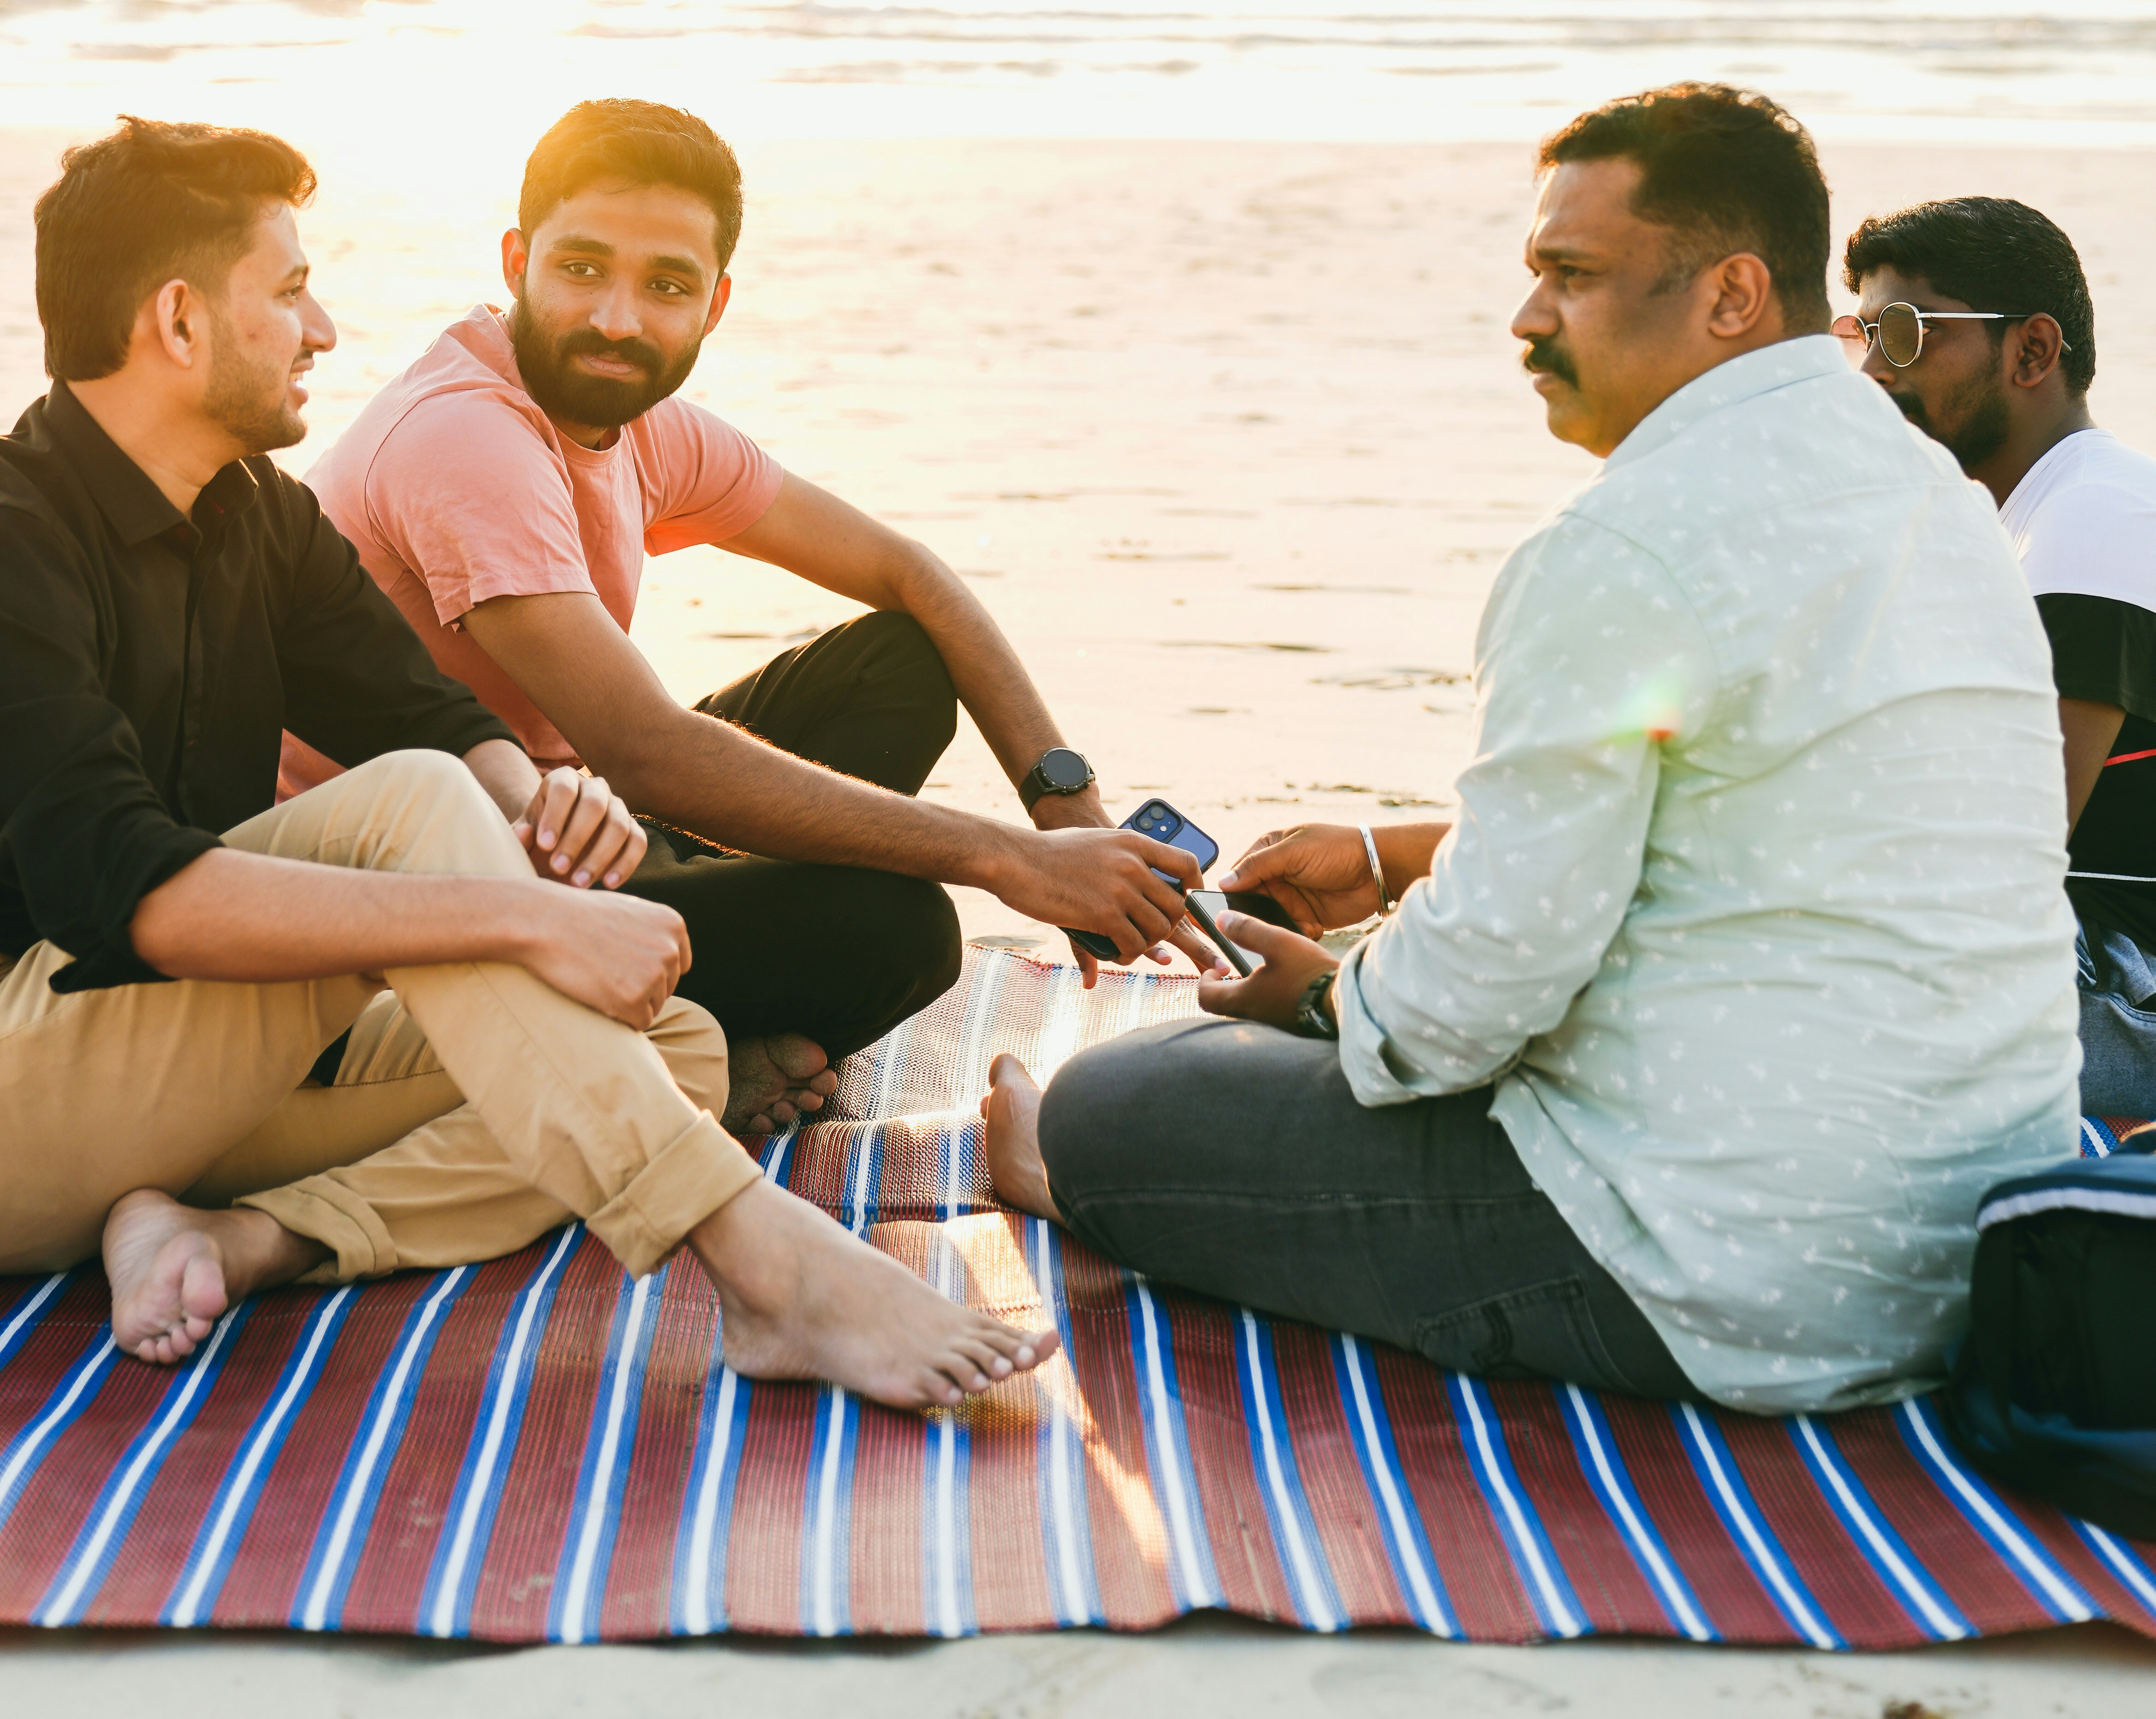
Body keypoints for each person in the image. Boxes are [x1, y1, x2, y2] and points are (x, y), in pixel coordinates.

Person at [983, 84, 2081, 1416]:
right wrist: (1382, 918)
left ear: (1733, 294)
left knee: (1118, 1099)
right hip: (1973, 1254)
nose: (1526, 319)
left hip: (1723, 1278)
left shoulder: (1622, 547)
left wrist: (1327, 998)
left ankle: (1085, 1175)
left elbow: (1473, 1002)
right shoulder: (1944, 503)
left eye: (1571, 275)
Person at [0, 115, 1057, 1408]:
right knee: (417, 815)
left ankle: (252, 1235)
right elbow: (140, 895)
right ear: (177, 323)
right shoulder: (17, 541)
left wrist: (544, 803)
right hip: (29, 1080)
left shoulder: (250, 514)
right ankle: (769, 1271)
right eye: (289, 292)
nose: (322, 329)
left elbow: (435, 717)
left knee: (671, 1055)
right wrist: (525, 916)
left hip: (172, 1086)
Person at [300, 98, 1201, 1138]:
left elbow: (911, 574)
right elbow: (647, 754)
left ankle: (695, 1023)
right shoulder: (465, 438)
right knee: (902, 929)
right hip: (407, 901)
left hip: (562, 821)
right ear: (515, 262)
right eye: (582, 268)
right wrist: (1013, 862)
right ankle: (678, 1051)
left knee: (896, 666)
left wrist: (1064, 809)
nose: (619, 320)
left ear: (715, 304)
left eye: (666, 285)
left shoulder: (643, 426)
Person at [1839, 194, 2156, 1115]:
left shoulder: (2095, 515)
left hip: (2118, 986)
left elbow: (2000, 848)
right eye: (1857, 334)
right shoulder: (2018, 527)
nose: (1869, 370)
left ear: (2028, 352)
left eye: (1902, 332)